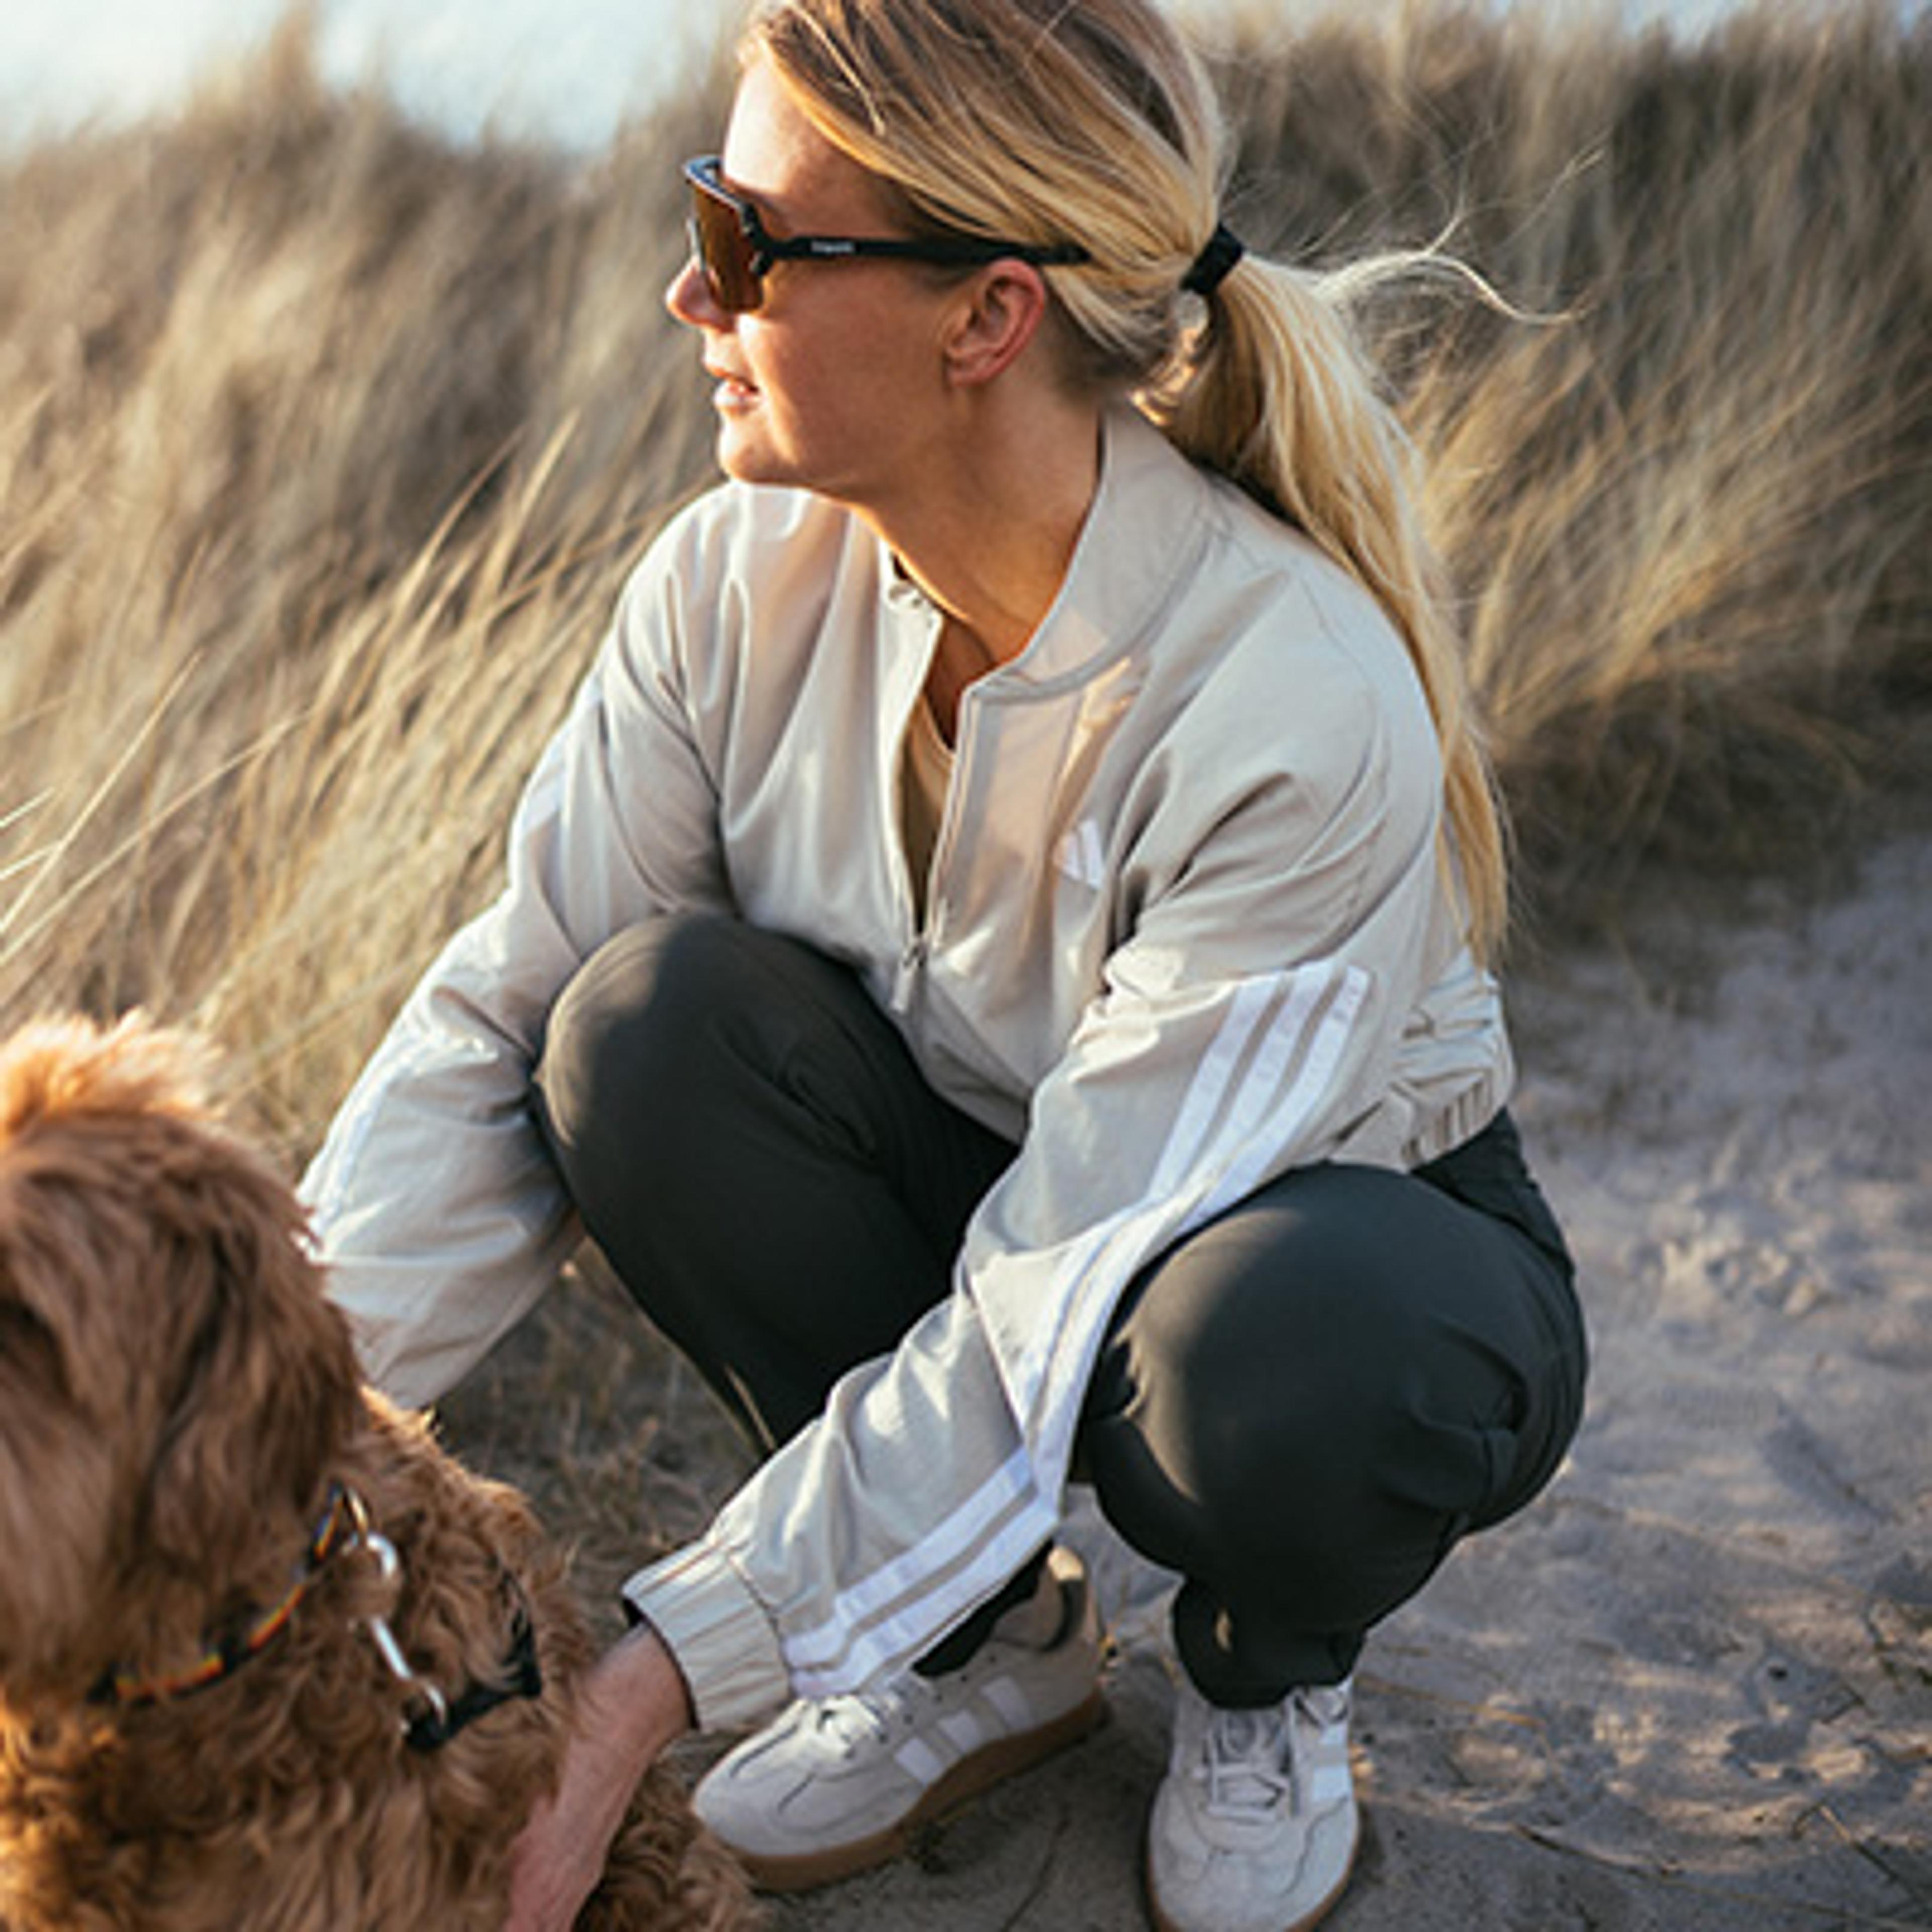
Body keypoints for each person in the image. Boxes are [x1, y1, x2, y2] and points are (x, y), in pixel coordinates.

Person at [300, 2, 1587, 1927]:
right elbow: (499, 1025)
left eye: (744, 238)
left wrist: (635, 1696)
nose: (684, 288)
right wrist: (245, 1428)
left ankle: (1268, 1676)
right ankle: (985, 1644)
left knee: (1260, 1366)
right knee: (627, 1033)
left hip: (1335, 1255)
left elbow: (1044, 1299)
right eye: (698, 209)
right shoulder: (729, 583)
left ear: (987, 318)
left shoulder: (1294, 700)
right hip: (992, 1170)